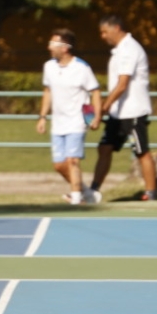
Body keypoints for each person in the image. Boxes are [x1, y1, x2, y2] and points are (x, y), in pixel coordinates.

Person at [90, 15, 157, 201]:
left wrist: (103, 106)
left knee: (141, 151)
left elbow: (122, 84)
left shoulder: (130, 49)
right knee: (104, 148)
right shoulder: (119, 51)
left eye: (105, 32)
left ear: (116, 28)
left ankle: (150, 192)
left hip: (133, 111)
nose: (103, 36)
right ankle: (93, 190)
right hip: (117, 112)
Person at [35, 28, 104, 205]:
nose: (49, 47)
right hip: (58, 123)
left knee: (72, 161)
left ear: (65, 47)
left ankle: (75, 200)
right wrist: (42, 117)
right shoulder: (49, 66)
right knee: (59, 165)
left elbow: (94, 92)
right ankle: (86, 192)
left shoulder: (81, 68)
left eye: (53, 44)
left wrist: (94, 117)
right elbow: (48, 91)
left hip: (77, 122)